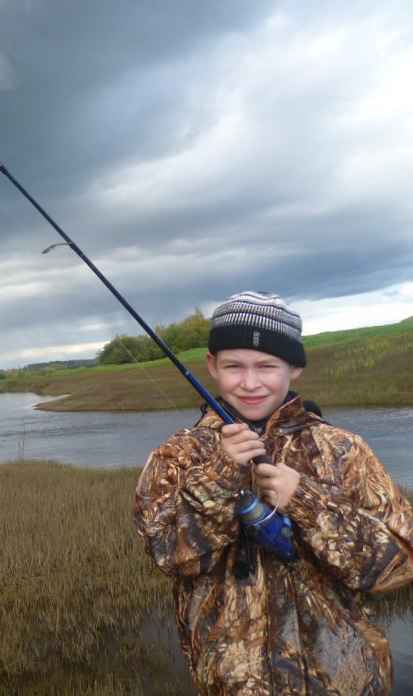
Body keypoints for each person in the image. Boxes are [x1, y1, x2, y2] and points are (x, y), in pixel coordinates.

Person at [133, 291, 413, 695]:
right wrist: (220, 476)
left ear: (294, 367)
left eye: (267, 366)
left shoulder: (344, 450)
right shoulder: (177, 456)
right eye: (234, 366)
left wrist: (305, 500)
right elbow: (167, 556)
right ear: (211, 366)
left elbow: (398, 566)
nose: (249, 383)